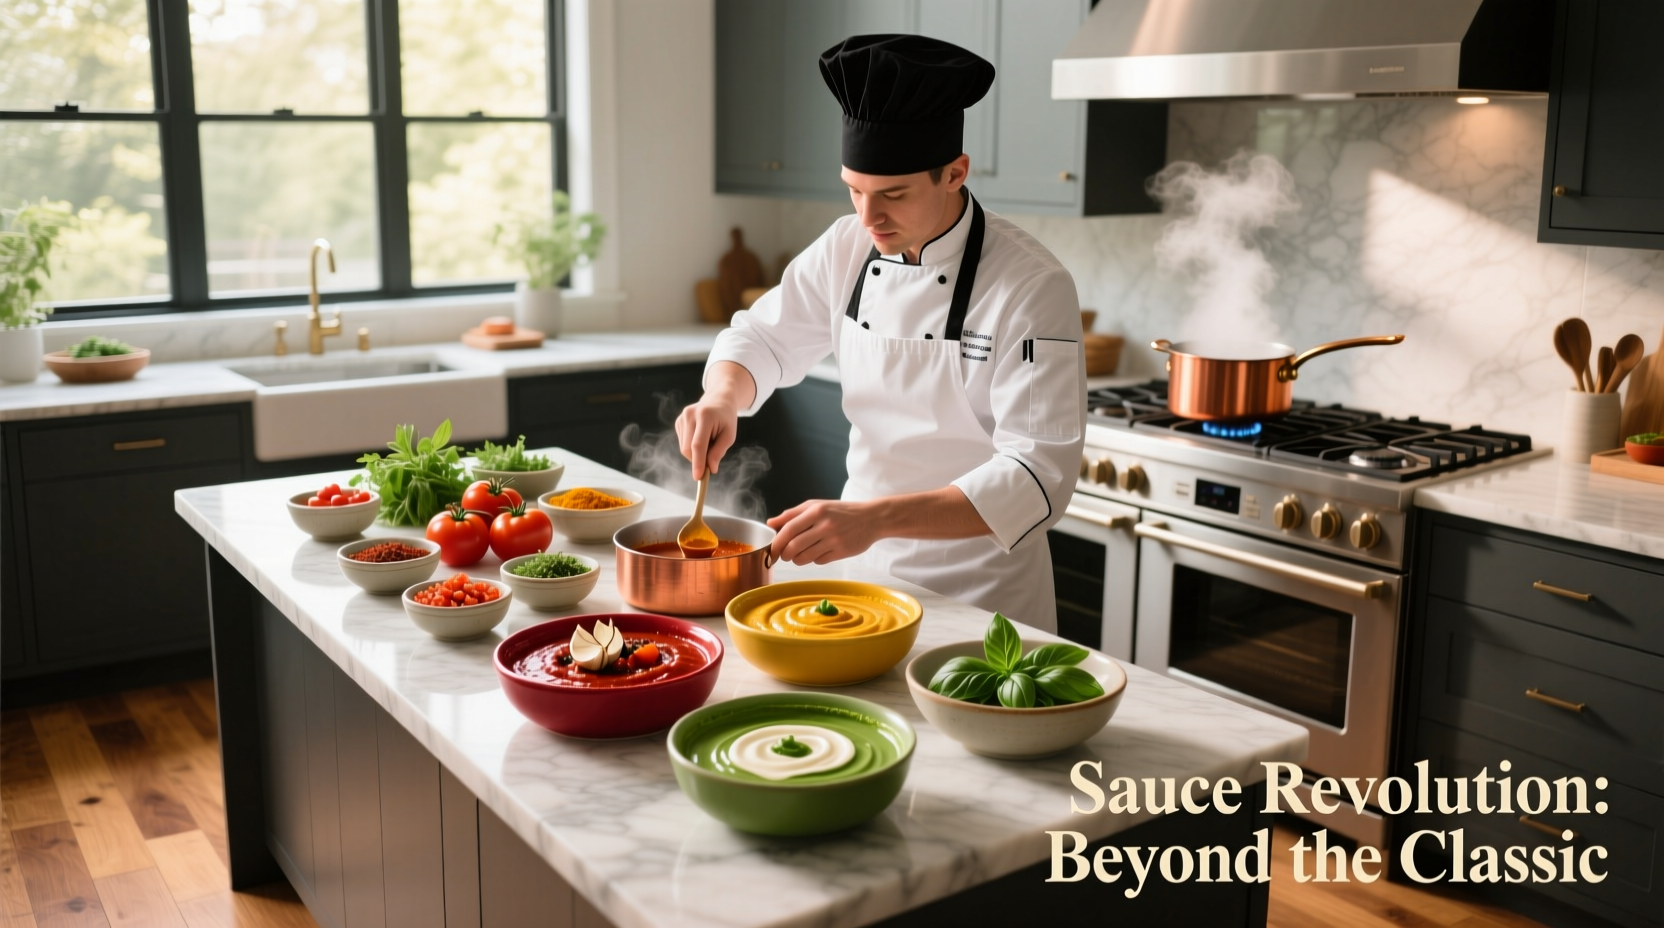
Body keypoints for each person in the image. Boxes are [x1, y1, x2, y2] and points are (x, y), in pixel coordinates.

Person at [676, 34, 1084, 631]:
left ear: (955, 173)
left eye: (892, 194)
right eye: (854, 190)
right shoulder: (846, 245)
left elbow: (1038, 477)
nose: (868, 218)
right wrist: (721, 397)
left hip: (983, 601)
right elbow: (760, 338)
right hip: (861, 579)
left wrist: (875, 519)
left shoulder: (1031, 284)